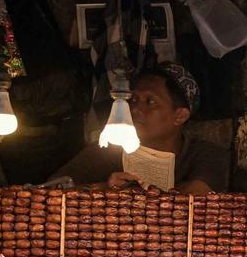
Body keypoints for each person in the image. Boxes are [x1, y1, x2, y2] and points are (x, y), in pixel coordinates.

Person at [50, 62, 228, 194]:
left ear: (180, 115)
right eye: (133, 100)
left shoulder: (206, 155)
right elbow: (50, 191)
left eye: (150, 102)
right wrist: (103, 189)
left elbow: (197, 195)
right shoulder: (104, 152)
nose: (135, 109)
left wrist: (135, 193)